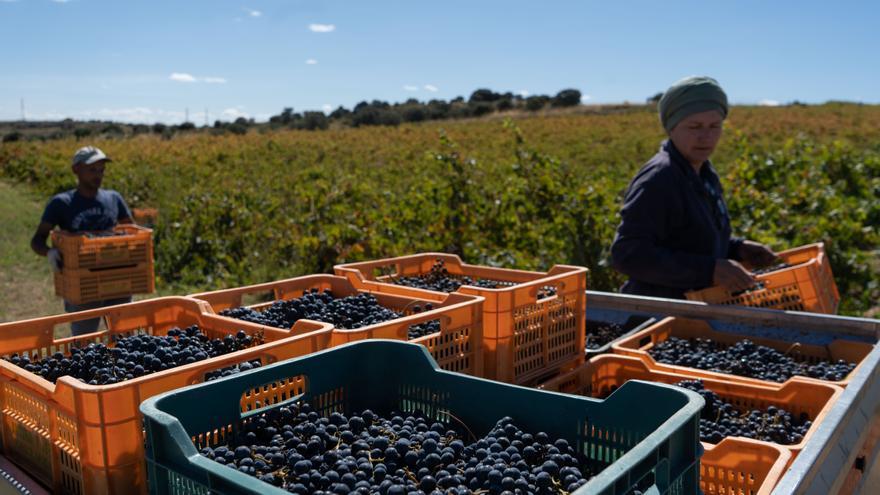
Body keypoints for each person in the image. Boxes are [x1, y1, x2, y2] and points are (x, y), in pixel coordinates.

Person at [610, 76, 777, 299]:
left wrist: (738, 248)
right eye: (694, 126)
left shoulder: (705, 174)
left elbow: (690, 241)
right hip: (659, 310)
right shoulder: (660, 178)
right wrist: (709, 270)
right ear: (671, 128)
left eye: (714, 126)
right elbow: (628, 254)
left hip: (697, 309)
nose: (705, 136)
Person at [30, 146, 135, 335]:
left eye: (101, 170)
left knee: (125, 336)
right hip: (82, 284)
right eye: (92, 169)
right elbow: (37, 240)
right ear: (76, 169)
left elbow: (132, 231)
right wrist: (50, 252)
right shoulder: (61, 203)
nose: (98, 175)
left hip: (116, 279)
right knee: (84, 341)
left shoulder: (113, 198)